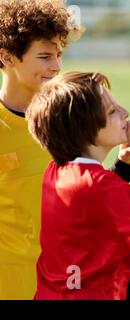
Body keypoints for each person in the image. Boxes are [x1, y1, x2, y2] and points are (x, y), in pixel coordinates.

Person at [26, 71, 130, 299]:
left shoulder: (58, 171)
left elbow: (97, 207)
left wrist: (124, 166)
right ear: (85, 129)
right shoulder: (99, 185)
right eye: (112, 111)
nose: (125, 112)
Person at [0, 0, 74, 299]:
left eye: (58, 55)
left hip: (68, 282)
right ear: (7, 57)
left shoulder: (70, 122)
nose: (56, 66)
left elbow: (100, 200)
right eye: (45, 56)